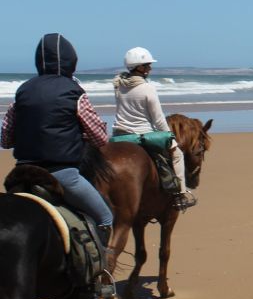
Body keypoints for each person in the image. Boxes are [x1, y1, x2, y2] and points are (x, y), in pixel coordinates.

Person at [0, 33, 114, 248]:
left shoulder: (23, 90)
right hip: (63, 175)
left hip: (21, 175)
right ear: (72, 61)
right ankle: (101, 277)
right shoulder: (74, 91)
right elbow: (99, 138)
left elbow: (5, 139)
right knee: (105, 218)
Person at [112, 46, 196, 211]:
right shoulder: (147, 88)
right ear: (140, 67)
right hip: (142, 135)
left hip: (119, 135)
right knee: (177, 154)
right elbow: (158, 119)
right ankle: (180, 194)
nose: (150, 68)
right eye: (148, 65)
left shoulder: (119, 85)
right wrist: (169, 136)